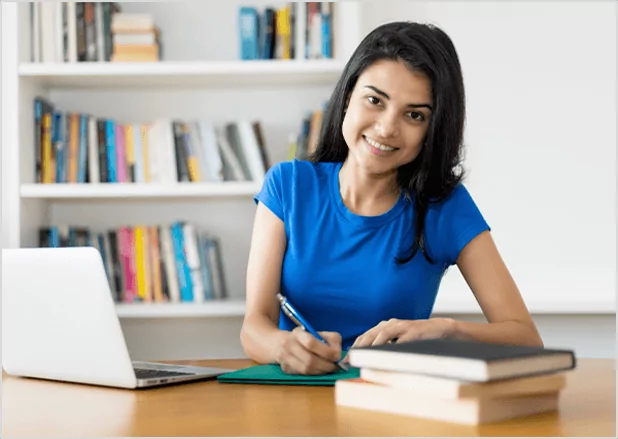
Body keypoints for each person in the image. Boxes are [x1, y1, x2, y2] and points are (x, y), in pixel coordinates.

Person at [240, 21, 543, 376]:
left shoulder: (445, 207)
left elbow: (526, 339)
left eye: (414, 115)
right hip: (293, 404)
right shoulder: (288, 185)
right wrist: (283, 347)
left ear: (432, 130)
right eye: (375, 100)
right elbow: (254, 326)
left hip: (395, 406)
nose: (386, 127)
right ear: (348, 95)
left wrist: (444, 331)